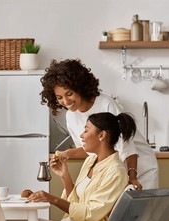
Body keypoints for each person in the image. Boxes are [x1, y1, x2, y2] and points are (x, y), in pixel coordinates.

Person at [8, 112, 136, 221]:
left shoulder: (115, 171)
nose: (81, 135)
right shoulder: (91, 161)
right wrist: (65, 176)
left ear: (102, 135)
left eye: (86, 130)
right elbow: (76, 203)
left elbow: (91, 214)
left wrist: (52, 199)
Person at [40, 58, 158, 190]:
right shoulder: (71, 117)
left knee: (140, 210)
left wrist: (132, 176)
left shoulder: (105, 104)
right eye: (59, 97)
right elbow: (89, 150)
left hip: (139, 167)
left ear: (79, 87)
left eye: (69, 94)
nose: (66, 101)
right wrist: (67, 153)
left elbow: (127, 147)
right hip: (116, 173)